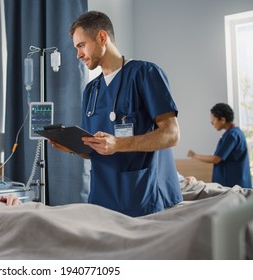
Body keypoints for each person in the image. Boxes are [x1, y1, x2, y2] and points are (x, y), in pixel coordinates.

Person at [49, 11, 183, 217]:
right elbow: (95, 148)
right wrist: (71, 147)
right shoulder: (91, 90)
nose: (78, 54)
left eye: (81, 45)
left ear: (102, 37)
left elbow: (171, 135)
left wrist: (119, 144)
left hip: (142, 196)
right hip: (102, 198)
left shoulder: (145, 73)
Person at [188, 103, 252, 188]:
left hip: (232, 186)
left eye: (213, 120)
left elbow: (216, 159)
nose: (212, 123)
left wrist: (194, 156)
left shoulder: (231, 135)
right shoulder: (235, 133)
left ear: (222, 120)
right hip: (234, 184)